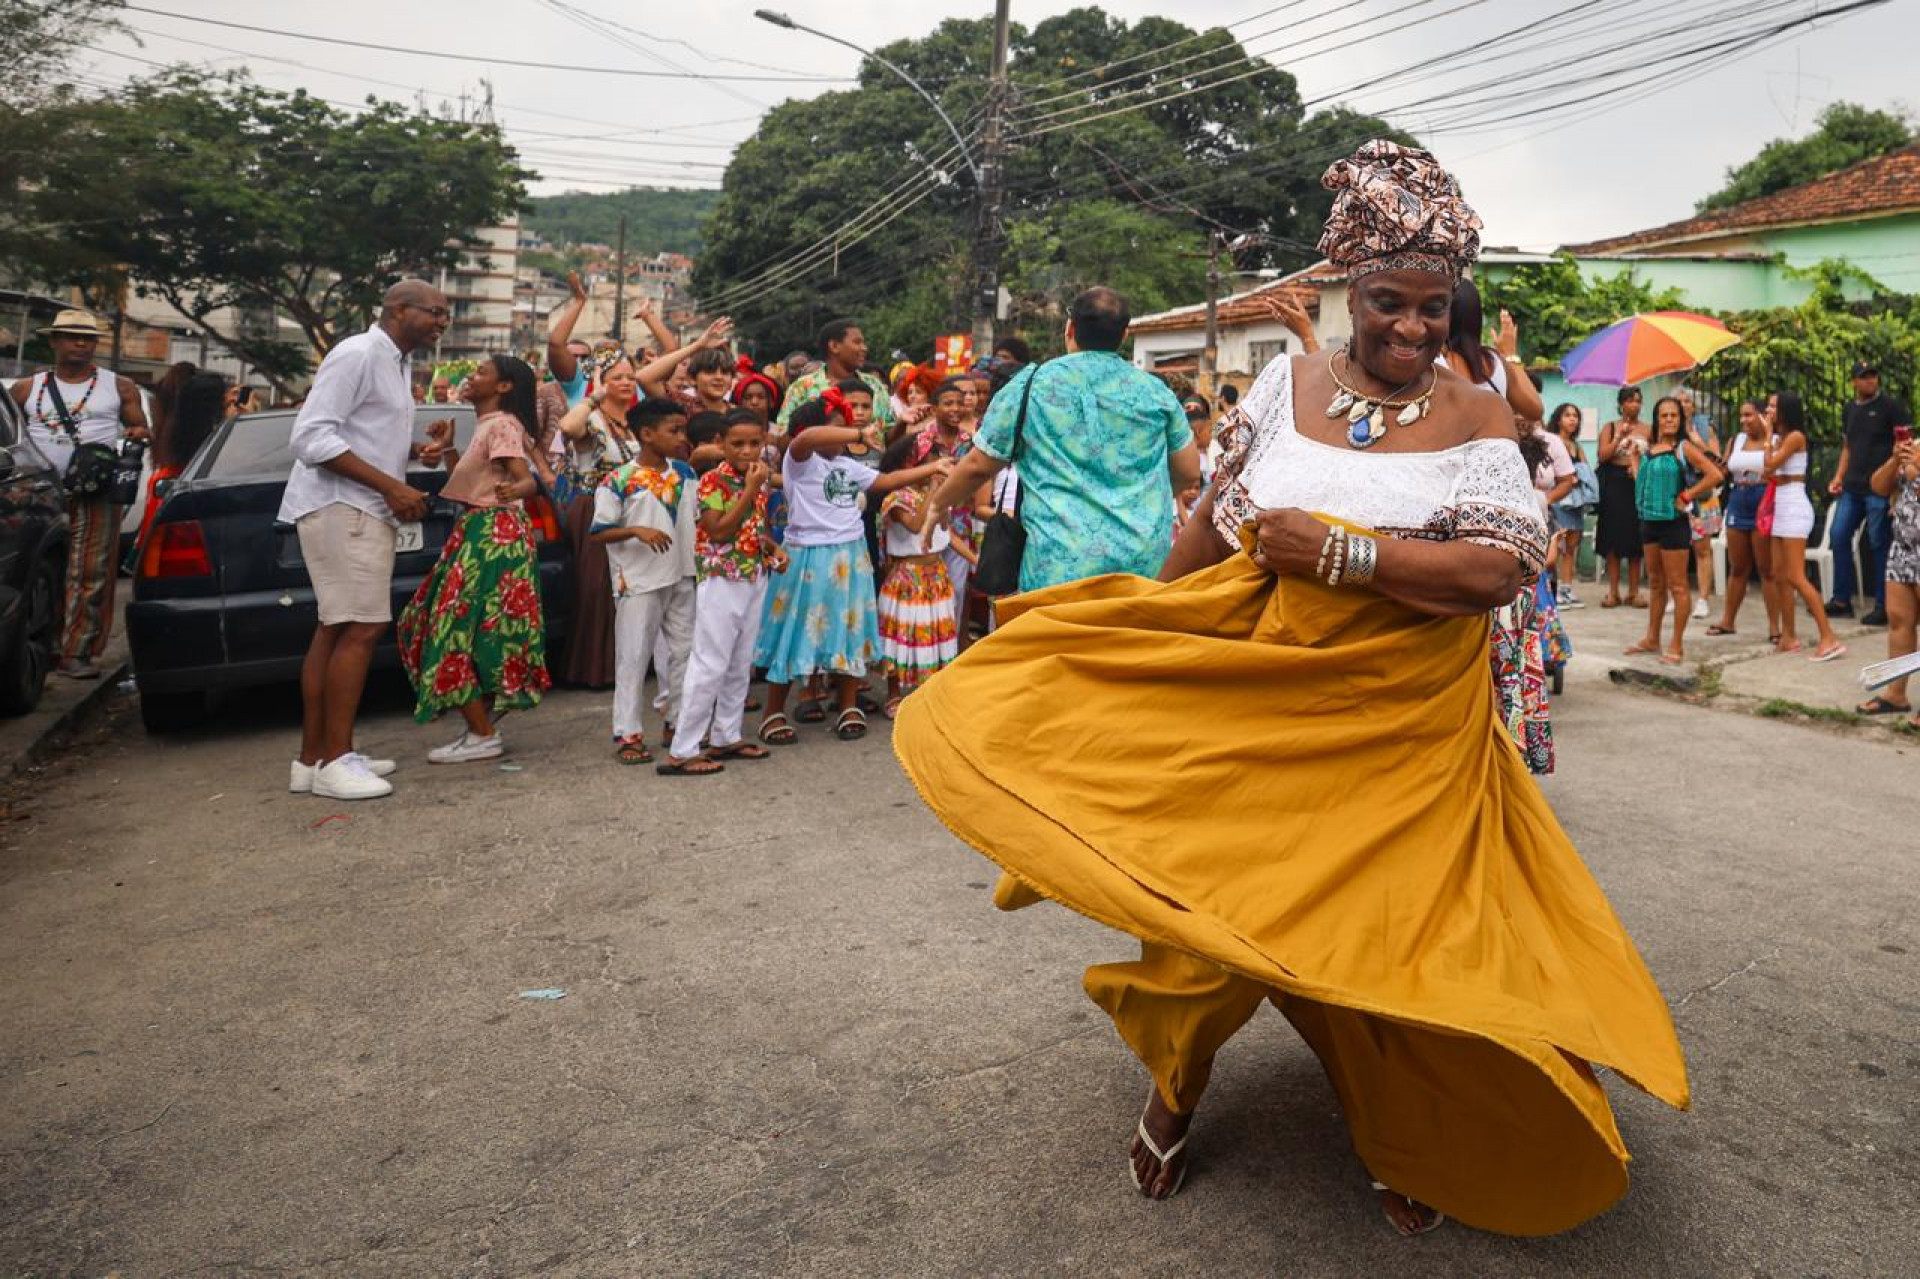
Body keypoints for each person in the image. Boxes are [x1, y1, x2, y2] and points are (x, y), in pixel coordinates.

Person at [893, 140, 1687, 1239]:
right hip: (1266, 701)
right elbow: (1217, 520)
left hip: (1406, 732)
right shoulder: (1285, 381)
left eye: (1432, 307)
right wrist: (1147, 629)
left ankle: (1409, 1124)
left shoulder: (1477, 418)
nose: (1411, 329)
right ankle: (1177, 1081)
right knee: (1214, 918)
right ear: (1344, 290)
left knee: (1397, 935)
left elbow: (1505, 568)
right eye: (1389, 303)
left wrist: (1345, 556)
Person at [919, 287, 1203, 592]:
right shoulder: (1156, 392)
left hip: (1058, 567)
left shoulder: (1031, 385)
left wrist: (938, 505)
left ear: (1070, 329)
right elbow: (1188, 472)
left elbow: (977, 466)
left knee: (1056, 640)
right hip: (1142, 567)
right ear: (1123, 337)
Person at [279, 279, 443, 801]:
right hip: (342, 508)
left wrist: (416, 450)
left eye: (447, 315)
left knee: (336, 629)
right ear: (398, 310)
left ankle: (313, 759)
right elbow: (310, 437)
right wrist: (393, 487)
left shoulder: (395, 359)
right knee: (362, 628)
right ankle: (335, 762)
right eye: (434, 312)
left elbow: (360, 434)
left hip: (354, 507)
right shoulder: (358, 354)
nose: (442, 322)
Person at [753, 394, 949, 746]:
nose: (845, 434)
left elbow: (887, 481)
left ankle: (847, 705)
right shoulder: (800, 461)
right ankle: (774, 711)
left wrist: (932, 468)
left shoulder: (845, 466)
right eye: (838, 427)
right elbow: (806, 439)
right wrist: (857, 436)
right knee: (795, 630)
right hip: (809, 556)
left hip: (851, 555)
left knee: (849, 626)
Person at [398, 355, 550, 764]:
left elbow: (523, 479)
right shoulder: (489, 425)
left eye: (482, 372)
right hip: (483, 531)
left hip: (493, 535)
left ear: (503, 387)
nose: (471, 376)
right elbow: (474, 483)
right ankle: (480, 729)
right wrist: (449, 447)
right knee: (475, 630)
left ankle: (483, 734)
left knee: (451, 629)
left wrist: (516, 490)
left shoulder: (501, 424)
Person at [9, 308, 152, 680]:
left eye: (87, 338)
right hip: (42, 493)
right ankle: (46, 644)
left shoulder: (119, 387)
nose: (80, 343)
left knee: (90, 571)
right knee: (45, 569)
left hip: (96, 492)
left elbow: (141, 429)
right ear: (54, 341)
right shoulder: (27, 389)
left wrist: (130, 439)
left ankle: (79, 650)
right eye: (72, 336)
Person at [660, 410, 789, 775]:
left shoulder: (756, 479)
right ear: (720, 444)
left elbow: (749, 528)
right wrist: (750, 491)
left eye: (754, 443)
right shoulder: (713, 482)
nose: (747, 450)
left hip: (751, 575)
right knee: (709, 662)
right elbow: (717, 531)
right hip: (721, 578)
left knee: (739, 661)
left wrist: (771, 548)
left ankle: (726, 735)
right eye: (738, 444)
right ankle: (683, 749)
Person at [592, 397, 697, 765]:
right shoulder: (617, 480)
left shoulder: (685, 473)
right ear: (647, 434)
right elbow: (599, 532)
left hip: (683, 574)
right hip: (638, 581)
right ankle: (629, 733)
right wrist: (635, 529)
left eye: (683, 429)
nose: (682, 437)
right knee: (634, 657)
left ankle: (678, 722)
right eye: (674, 431)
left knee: (686, 653)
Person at [554, 351, 641, 687]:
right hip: (596, 508)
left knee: (627, 587)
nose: (625, 383)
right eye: (616, 377)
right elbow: (567, 426)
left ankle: (626, 665)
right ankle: (592, 668)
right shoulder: (592, 419)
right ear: (601, 381)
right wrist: (594, 398)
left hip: (632, 509)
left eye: (630, 378)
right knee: (597, 586)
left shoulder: (634, 421)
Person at [1624, 396, 1725, 665]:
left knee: (1678, 586)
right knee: (1656, 583)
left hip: (1674, 524)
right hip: (1648, 522)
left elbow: (1715, 474)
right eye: (1664, 415)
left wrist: (1688, 495)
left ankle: (1676, 646)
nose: (1669, 419)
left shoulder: (1684, 448)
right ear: (1657, 419)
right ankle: (1652, 638)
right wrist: (1635, 460)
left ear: (1680, 420)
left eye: (1674, 416)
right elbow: (1642, 483)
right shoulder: (1649, 449)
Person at [875, 437, 968, 718]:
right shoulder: (895, 497)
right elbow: (916, 526)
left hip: (935, 574)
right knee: (901, 635)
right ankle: (894, 695)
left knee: (934, 634)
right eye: (932, 458)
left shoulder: (937, 492)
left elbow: (943, 530)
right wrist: (935, 491)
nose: (937, 463)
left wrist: (975, 558)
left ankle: (930, 691)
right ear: (911, 463)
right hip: (907, 577)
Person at [1826, 360, 1912, 626]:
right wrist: (1838, 477)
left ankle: (1884, 604)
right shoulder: (1849, 409)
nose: (1870, 381)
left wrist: (1896, 489)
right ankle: (1841, 600)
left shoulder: (1890, 407)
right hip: (1852, 486)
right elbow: (1847, 447)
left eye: (1873, 376)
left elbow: (1904, 447)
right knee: (1838, 536)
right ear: (1854, 382)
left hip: (1879, 488)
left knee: (1879, 543)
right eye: (1864, 377)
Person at [1764, 392, 1846, 661]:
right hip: (1781, 506)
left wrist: (1766, 437)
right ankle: (1788, 636)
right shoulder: (1778, 439)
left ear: (1786, 410)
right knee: (1779, 574)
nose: (1769, 410)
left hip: (1795, 507)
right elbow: (1769, 471)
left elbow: (1769, 466)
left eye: (1774, 406)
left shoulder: (1795, 437)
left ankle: (1829, 637)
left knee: (1796, 576)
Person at [1857, 430, 1919, 725]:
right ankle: (1896, 693)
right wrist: (1896, 459)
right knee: (1899, 622)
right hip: (1904, 549)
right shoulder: (1915, 447)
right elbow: (1879, 487)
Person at [1708, 399, 1782, 641]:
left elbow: (1776, 470)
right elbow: (1723, 469)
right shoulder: (1737, 440)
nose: (1744, 421)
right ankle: (1728, 621)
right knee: (1738, 567)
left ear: (1763, 416)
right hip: (1739, 497)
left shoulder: (1775, 441)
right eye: (1742, 416)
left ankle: (1774, 627)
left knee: (1766, 569)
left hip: (1763, 498)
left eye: (1749, 415)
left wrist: (1770, 434)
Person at [1443, 278, 1544, 421]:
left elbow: (1535, 411)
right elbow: (1535, 409)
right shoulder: (1494, 363)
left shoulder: (1432, 362)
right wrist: (1510, 355)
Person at [775, 320, 893, 439]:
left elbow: (890, 432)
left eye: (863, 343)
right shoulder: (801, 388)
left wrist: (905, 422)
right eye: (857, 342)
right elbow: (784, 436)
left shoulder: (874, 384)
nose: (864, 348)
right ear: (834, 346)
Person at [1594, 385, 1650, 608]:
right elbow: (1603, 455)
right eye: (1629, 400)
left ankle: (1634, 591)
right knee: (1613, 539)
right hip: (1615, 484)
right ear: (1621, 404)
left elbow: (1654, 454)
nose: (1634, 404)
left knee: (1636, 538)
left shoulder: (1648, 429)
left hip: (1637, 483)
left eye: (1637, 400)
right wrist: (1619, 437)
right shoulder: (1610, 427)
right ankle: (1613, 591)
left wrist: (1640, 466)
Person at [1675, 387, 1724, 620]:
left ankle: (1703, 598)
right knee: (1676, 548)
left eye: (1687, 401)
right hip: (1676, 497)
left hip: (1702, 496)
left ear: (1693, 406)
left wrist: (1697, 442)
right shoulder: (1667, 429)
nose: (1683, 405)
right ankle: (1677, 595)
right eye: (1679, 401)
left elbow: (1719, 462)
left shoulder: (1704, 426)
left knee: (1702, 548)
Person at [1546, 404, 1593, 607]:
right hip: (1559, 500)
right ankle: (1552, 588)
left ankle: (1566, 588)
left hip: (1575, 501)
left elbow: (1586, 469)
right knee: (1558, 543)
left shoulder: (1577, 446)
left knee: (1571, 546)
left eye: (1575, 416)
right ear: (1558, 419)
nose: (1572, 419)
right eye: (1567, 415)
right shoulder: (1553, 442)